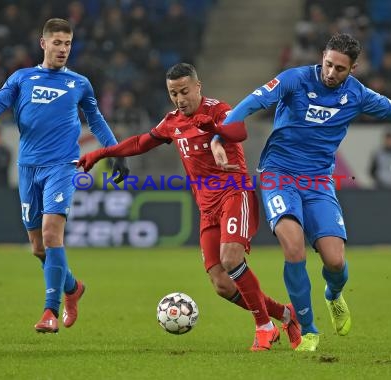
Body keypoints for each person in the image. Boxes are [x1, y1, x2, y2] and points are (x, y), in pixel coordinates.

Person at [203, 33, 391, 352]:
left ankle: (333, 295)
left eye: (340, 68)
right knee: (293, 247)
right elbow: (253, 102)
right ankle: (308, 330)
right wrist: (219, 135)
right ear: (322, 56)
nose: (331, 73)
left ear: (353, 68)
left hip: (318, 182)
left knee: (335, 262)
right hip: (277, 174)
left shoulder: (358, 95)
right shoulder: (294, 79)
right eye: (328, 64)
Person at [78, 63, 301, 351]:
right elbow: (140, 142)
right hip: (207, 208)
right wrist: (101, 153)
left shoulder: (218, 110)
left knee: (231, 259)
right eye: (173, 93)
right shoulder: (172, 121)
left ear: (198, 86)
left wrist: (214, 129)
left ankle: (264, 327)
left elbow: (239, 131)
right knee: (221, 283)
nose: (180, 98)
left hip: (235, 194)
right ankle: (285, 314)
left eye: (184, 91)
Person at [0, 18, 129, 333]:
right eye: (57, 43)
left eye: (67, 43)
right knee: (39, 248)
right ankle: (73, 288)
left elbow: (96, 120)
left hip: (62, 167)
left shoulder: (79, 83)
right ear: (44, 43)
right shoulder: (22, 78)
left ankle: (49, 311)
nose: (63, 49)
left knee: (52, 235)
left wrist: (115, 152)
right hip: (28, 169)